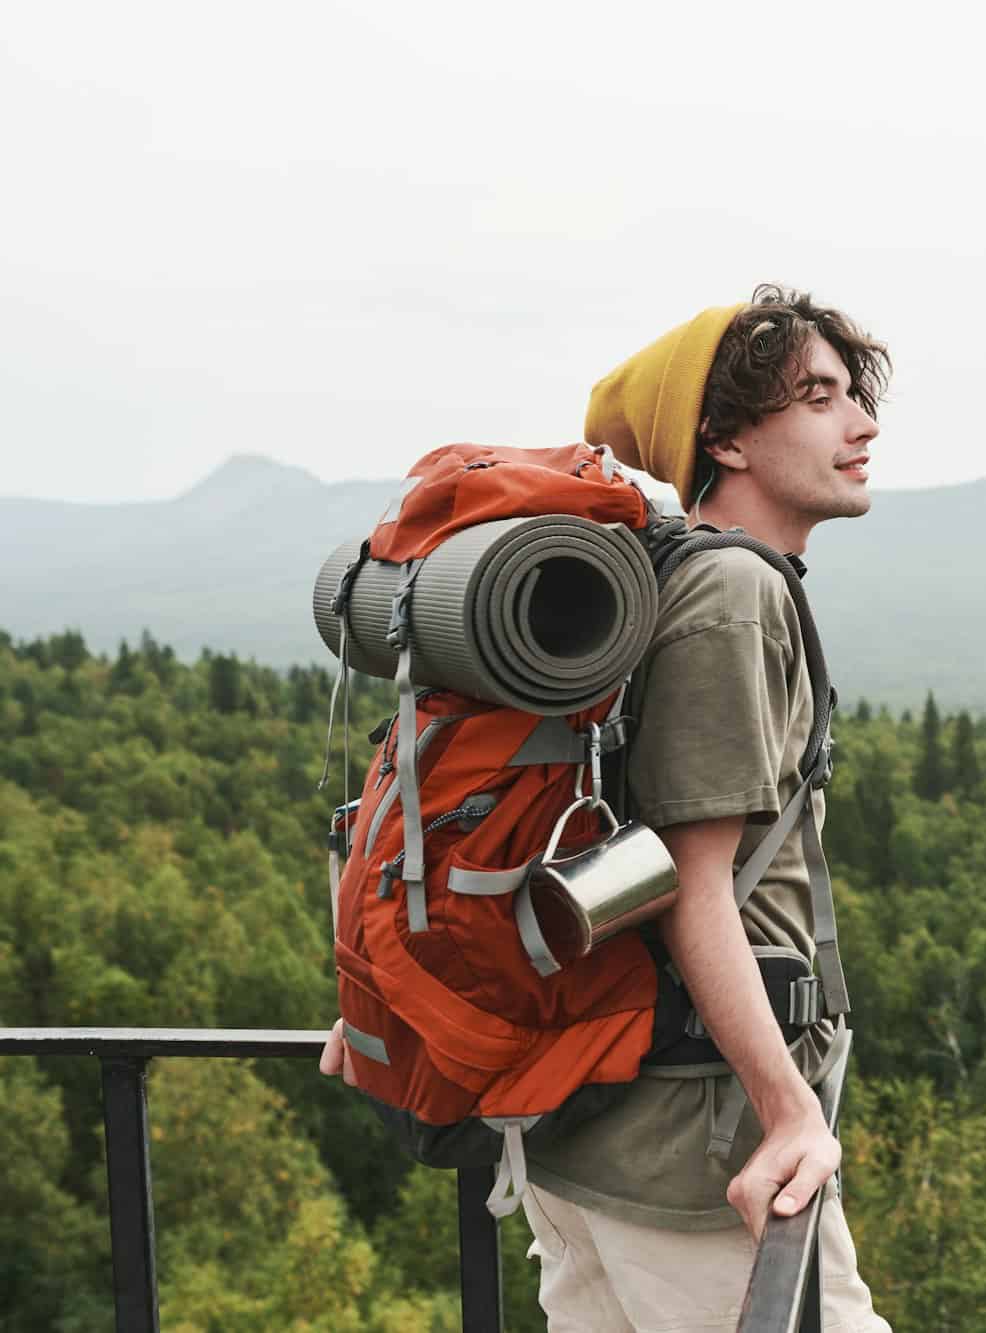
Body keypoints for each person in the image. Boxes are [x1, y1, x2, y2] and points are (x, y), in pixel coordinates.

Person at [323, 285, 893, 1331]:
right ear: (720, 435)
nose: (860, 422)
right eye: (817, 396)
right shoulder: (732, 591)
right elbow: (695, 884)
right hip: (691, 1152)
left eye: (854, 394)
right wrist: (787, 1110)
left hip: (589, 1130)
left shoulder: (652, 572)